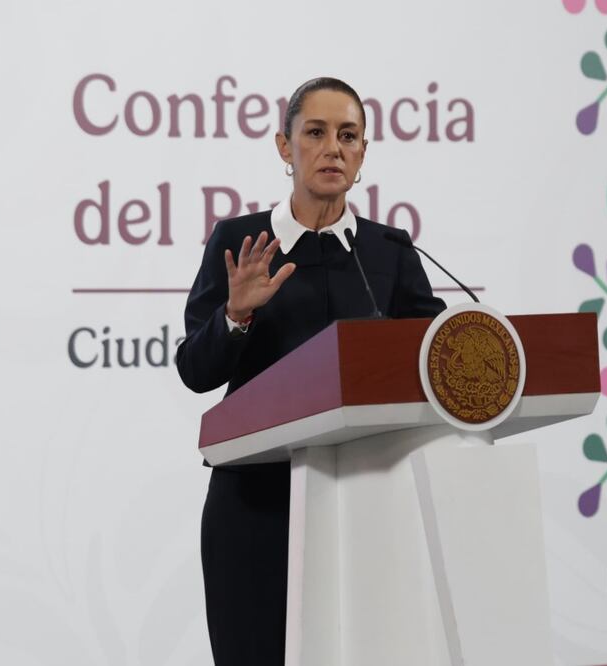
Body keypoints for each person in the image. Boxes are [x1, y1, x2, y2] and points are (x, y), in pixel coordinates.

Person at [175, 77, 446, 666]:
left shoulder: (390, 251)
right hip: (256, 506)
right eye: (316, 133)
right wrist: (235, 314)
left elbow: (438, 357)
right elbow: (195, 370)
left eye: (348, 136)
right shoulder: (240, 242)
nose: (333, 149)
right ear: (284, 146)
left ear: (363, 152)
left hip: (366, 501)